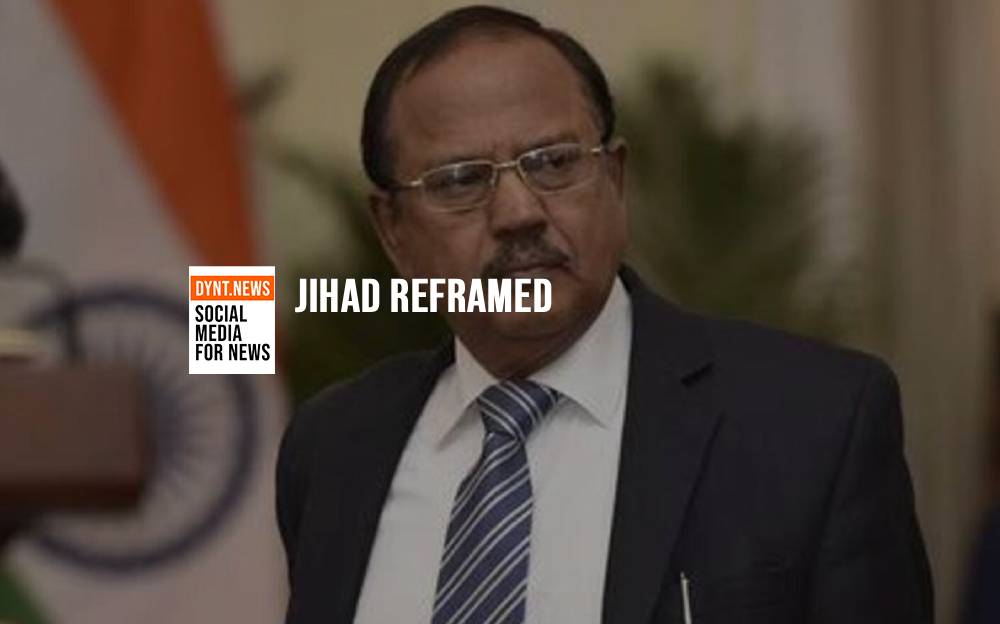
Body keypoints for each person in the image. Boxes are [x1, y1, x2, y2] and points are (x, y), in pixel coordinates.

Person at [276, 6, 933, 623]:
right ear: (392, 230)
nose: (518, 213)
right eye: (461, 180)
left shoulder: (816, 422)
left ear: (614, 178)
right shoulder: (333, 446)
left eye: (553, 163)